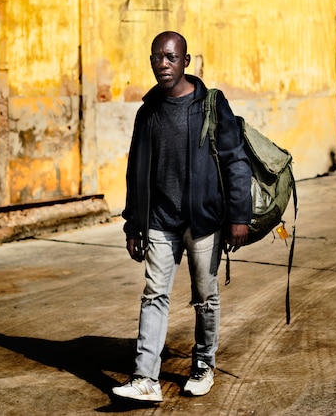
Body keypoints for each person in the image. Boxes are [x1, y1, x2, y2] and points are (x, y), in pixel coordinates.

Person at [112, 31, 252, 403]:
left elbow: (236, 160)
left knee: (205, 297)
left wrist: (239, 214)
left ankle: (204, 365)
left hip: (204, 220)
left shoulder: (211, 104)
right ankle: (145, 378)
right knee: (154, 294)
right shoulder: (149, 111)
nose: (163, 64)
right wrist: (132, 223)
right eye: (157, 57)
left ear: (186, 61)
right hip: (160, 220)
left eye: (171, 57)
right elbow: (135, 170)